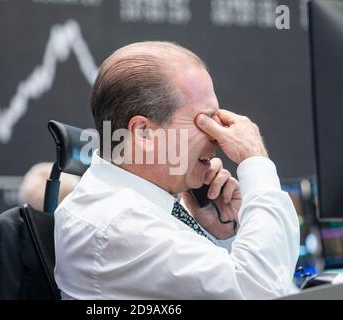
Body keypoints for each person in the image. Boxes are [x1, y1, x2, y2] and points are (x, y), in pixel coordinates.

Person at [54, 41, 300, 299]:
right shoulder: (120, 222)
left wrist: (219, 233)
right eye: (204, 119)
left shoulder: (141, 202)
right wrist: (255, 159)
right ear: (144, 132)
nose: (218, 135)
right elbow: (258, 292)